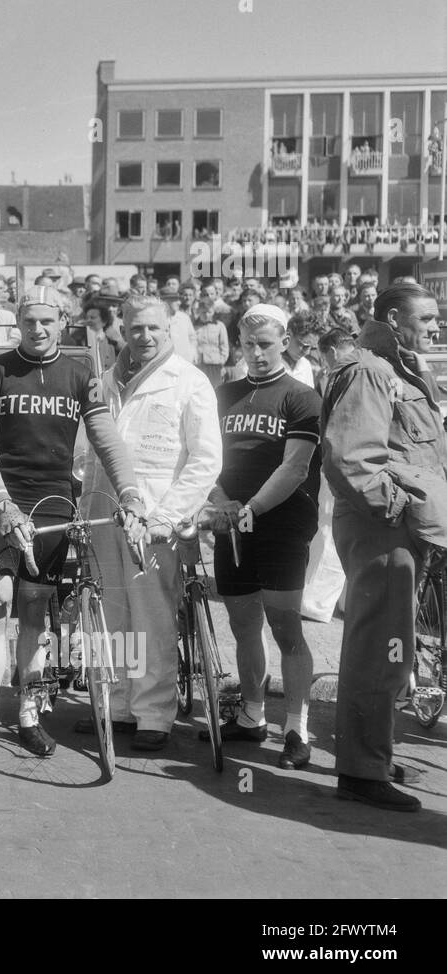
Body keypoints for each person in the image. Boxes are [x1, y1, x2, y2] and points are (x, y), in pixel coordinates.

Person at [0, 287, 145, 767]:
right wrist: (1, 504)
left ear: (63, 322)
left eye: (47, 321)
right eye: (28, 322)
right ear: (18, 323)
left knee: (37, 609)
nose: (37, 330)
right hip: (1, 503)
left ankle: (28, 715)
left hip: (53, 504)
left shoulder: (81, 376)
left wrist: (129, 493)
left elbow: (106, 439)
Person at [74, 297, 222, 750]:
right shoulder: (105, 381)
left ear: (169, 330)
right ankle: (116, 705)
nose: (144, 336)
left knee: (152, 617)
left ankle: (153, 714)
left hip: (156, 518)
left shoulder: (190, 382)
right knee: (108, 612)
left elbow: (206, 460)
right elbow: (84, 449)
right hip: (103, 512)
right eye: (136, 328)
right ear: (123, 328)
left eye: (153, 328)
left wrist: (167, 516)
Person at [322, 284, 443, 812]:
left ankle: (375, 753)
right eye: (428, 317)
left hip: (401, 530)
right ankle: (361, 773)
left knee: (395, 652)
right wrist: (399, 510)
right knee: (379, 651)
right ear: (394, 318)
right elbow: (351, 459)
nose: (437, 326)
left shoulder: (403, 368)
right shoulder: (371, 371)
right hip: (383, 529)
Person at [204, 304, 322, 771]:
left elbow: (295, 467)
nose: (256, 353)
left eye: (266, 344)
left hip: (281, 524)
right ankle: (252, 713)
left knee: (285, 626)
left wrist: (252, 508)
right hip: (231, 522)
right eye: (248, 344)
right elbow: (206, 456)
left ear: (286, 341)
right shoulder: (224, 394)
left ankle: (296, 725)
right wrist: (221, 500)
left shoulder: (301, 397)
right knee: (242, 622)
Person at [193, 296, 230, 388]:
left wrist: (221, 362)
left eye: (209, 312)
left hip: (215, 365)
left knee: (216, 391)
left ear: (213, 311)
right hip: (199, 365)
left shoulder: (219, 326)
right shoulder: (194, 326)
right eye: (203, 312)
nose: (206, 315)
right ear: (199, 311)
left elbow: (224, 346)